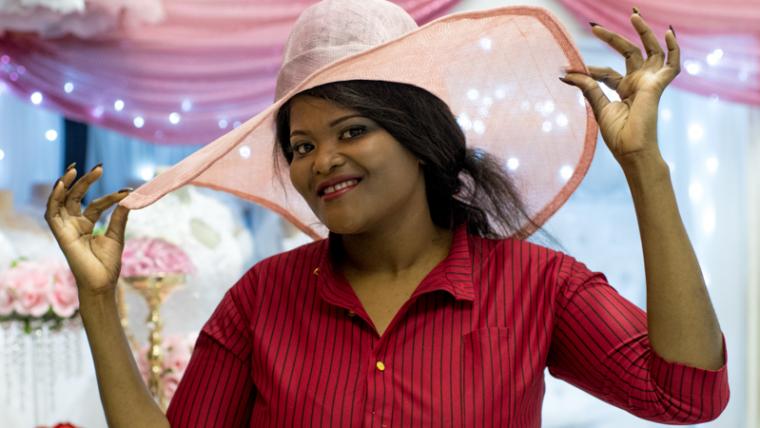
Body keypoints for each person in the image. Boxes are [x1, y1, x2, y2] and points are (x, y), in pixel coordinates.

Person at [44, 1, 728, 426]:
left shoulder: (538, 286)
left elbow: (688, 395)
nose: (322, 162)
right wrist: (99, 301)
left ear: (418, 137)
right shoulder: (261, 299)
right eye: (302, 145)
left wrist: (645, 168)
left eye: (351, 131)